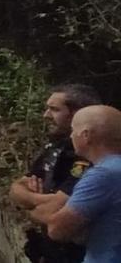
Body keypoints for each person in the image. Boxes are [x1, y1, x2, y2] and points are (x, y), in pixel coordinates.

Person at [10, 84, 101, 263]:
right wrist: (37, 200)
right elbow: (16, 187)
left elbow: (55, 213)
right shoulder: (55, 147)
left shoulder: (91, 156)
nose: (46, 115)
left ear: (77, 114)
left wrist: (29, 205)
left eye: (54, 109)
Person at [31, 105, 121, 263]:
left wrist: (35, 211)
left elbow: (58, 230)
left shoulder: (103, 175)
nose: (71, 136)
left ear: (85, 135)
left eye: (73, 130)